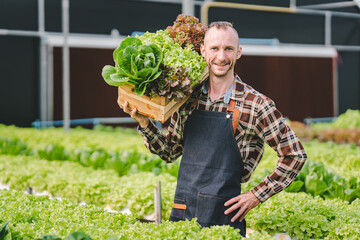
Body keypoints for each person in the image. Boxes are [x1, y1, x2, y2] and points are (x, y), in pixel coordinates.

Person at [120, 21, 307, 237]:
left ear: (238, 52)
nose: (221, 57)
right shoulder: (187, 98)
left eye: (228, 49)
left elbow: (294, 155)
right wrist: (145, 123)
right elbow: (170, 152)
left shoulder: (256, 104)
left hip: (224, 217)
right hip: (183, 211)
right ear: (203, 51)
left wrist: (256, 195)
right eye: (214, 48)